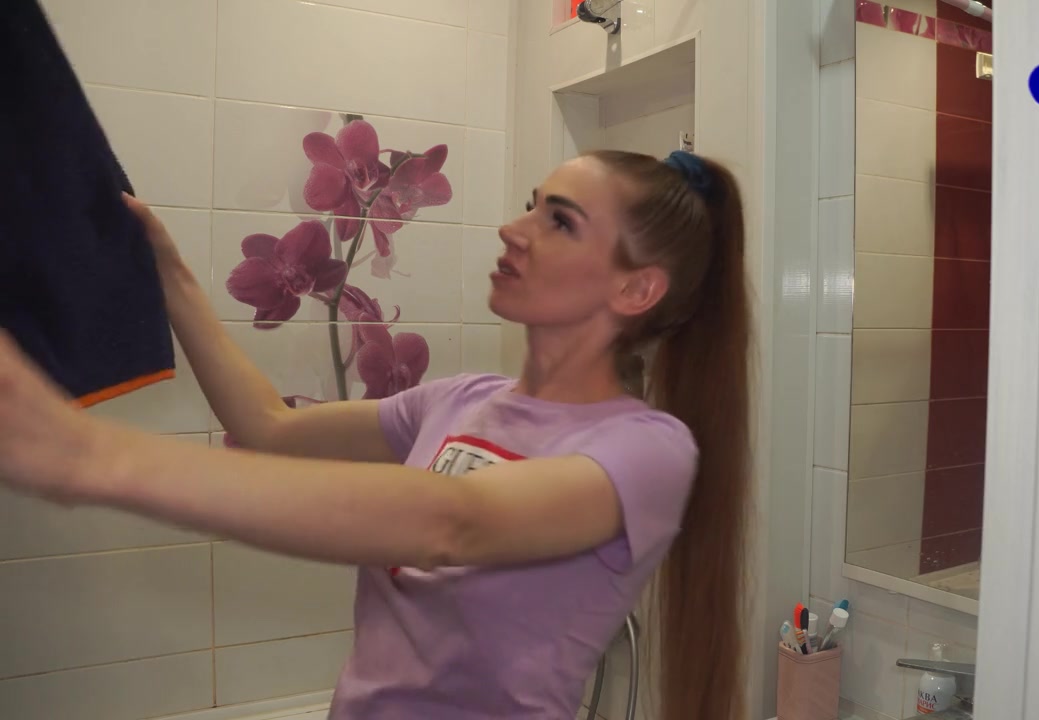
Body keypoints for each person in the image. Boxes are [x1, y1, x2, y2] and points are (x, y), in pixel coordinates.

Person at [0, 149, 752, 719]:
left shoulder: (646, 450)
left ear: (635, 287)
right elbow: (266, 427)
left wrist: (92, 456)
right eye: (530, 206)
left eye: (558, 221)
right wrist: (169, 271)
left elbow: (452, 523)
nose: (512, 229)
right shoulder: (460, 399)